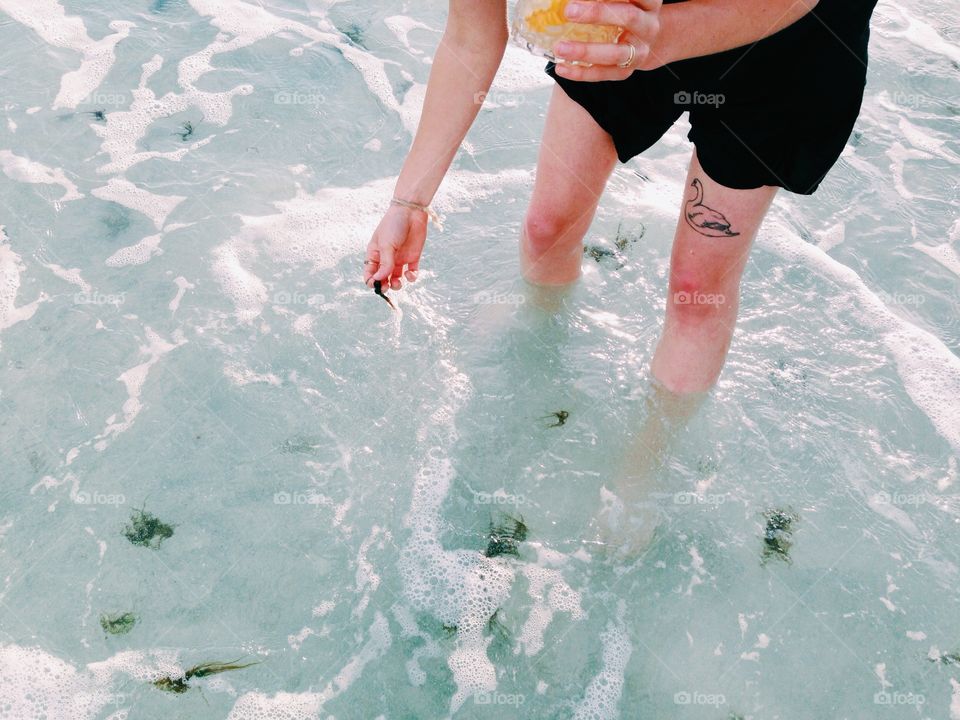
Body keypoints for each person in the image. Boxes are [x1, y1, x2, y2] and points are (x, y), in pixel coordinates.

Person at [363, 0, 879, 395]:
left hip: (792, 37)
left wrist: (659, 43)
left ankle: (646, 480)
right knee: (548, 228)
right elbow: (471, 38)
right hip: (624, 15)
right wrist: (410, 202)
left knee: (696, 289)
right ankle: (541, 369)